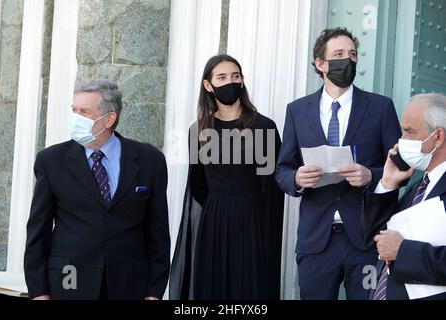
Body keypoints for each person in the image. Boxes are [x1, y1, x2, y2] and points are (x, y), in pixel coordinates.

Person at [275, 27, 401, 299]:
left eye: (353, 54)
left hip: (367, 239)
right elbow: (282, 170)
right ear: (320, 63)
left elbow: (400, 167)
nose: (348, 60)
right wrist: (297, 178)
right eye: (339, 54)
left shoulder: (381, 107)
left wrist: (370, 175)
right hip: (316, 240)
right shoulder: (297, 111)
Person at [24, 80, 170, 300]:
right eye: (74, 110)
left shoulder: (150, 160)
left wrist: (154, 292)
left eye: (84, 112)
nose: (76, 117)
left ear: (109, 119)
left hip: (129, 286)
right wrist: (39, 292)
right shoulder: (51, 161)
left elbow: (158, 232)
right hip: (68, 283)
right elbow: (38, 232)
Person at [169, 54, 284, 300]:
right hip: (214, 222)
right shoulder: (199, 130)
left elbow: (273, 185)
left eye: (236, 76)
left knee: (248, 288)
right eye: (221, 77)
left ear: (242, 82)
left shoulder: (263, 127)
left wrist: (261, 228)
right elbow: (198, 184)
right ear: (208, 85)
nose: (230, 82)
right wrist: (218, 208)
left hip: (253, 221)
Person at [362, 93, 446, 300]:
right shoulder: (417, 188)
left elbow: (396, 249)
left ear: (438, 137)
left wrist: (403, 252)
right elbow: (373, 240)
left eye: (410, 132)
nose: (401, 142)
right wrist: (388, 183)